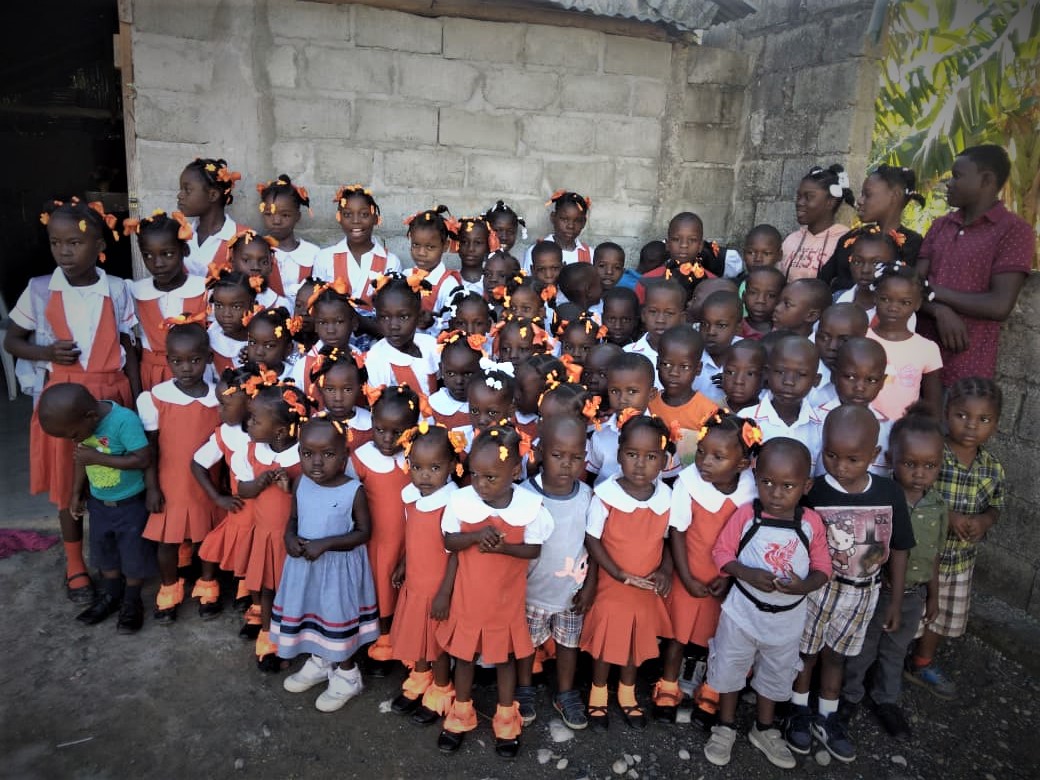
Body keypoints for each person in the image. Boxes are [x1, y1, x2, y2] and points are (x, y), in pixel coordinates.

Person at [5, 198, 138, 604]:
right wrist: (45, 353)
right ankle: (75, 564)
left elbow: (130, 348)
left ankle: (118, 558)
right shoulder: (39, 289)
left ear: (100, 245)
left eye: (75, 243)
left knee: (114, 478)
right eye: (55, 242)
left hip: (110, 394)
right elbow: (12, 341)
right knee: (68, 484)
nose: (64, 251)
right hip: (62, 400)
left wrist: (136, 402)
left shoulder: (118, 289)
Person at [787, 406, 914, 763]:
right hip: (818, 590)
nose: (840, 467)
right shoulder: (814, 492)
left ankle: (827, 717)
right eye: (831, 455)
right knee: (805, 653)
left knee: (836, 656)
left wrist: (894, 600)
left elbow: (900, 548)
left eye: (853, 459)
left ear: (874, 454)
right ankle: (798, 710)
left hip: (862, 593)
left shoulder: (889, 493)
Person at [704, 438, 831, 769]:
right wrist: (745, 573)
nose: (775, 493)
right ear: (756, 478)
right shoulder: (748, 515)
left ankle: (764, 728)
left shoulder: (810, 523)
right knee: (730, 668)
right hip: (741, 613)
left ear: (806, 486)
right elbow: (722, 552)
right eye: (767, 482)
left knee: (776, 675)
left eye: (788, 486)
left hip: (787, 621)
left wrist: (803, 586)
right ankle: (725, 725)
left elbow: (823, 568)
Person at [436, 424, 553, 758]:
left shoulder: (529, 507)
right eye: (474, 474)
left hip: (505, 603)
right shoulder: (462, 502)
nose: (480, 484)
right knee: (464, 657)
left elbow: (534, 550)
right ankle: (460, 714)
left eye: (490, 477)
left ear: (515, 471)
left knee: (504, 660)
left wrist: (504, 548)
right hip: (468, 600)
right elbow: (449, 542)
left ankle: (505, 718)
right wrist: (475, 536)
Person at [842, 406, 948, 739]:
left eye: (929, 466)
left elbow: (934, 554)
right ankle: (848, 696)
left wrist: (933, 595)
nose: (919, 474)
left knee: (895, 650)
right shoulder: (881, 497)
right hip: (877, 591)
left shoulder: (938, 506)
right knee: (863, 646)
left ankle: (886, 700)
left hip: (914, 595)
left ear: (940, 465)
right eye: (910, 464)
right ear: (891, 459)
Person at [654, 413, 760, 726]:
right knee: (678, 636)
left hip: (725, 579)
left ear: (742, 464)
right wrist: (685, 576)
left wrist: (729, 578)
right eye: (701, 452)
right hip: (688, 571)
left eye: (718, 457)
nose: (705, 462)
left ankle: (712, 687)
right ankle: (668, 684)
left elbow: (747, 541)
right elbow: (678, 531)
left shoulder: (751, 493)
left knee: (719, 638)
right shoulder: (688, 483)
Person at [907, 377, 1005, 699]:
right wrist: (948, 516)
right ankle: (889, 662)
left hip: (959, 561)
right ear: (947, 413)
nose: (971, 426)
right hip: (920, 558)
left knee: (940, 616)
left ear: (996, 424)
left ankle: (922, 662)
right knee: (909, 611)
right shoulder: (933, 453)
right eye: (962, 415)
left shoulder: (993, 468)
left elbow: (996, 505)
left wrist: (984, 521)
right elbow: (912, 490)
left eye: (983, 419)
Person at [274, 416, 380, 712]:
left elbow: (364, 532)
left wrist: (326, 543)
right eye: (308, 454)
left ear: (345, 456)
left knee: (336, 620)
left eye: (328, 454)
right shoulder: (301, 482)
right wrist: (289, 536)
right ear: (299, 454)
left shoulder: (353, 490)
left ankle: (347, 675)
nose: (317, 462)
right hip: (306, 568)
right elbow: (293, 518)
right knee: (313, 615)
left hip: (337, 572)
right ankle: (320, 661)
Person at [581, 414, 677, 731]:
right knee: (606, 642)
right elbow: (592, 539)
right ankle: (597, 693)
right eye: (632, 454)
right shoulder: (606, 496)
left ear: (664, 460)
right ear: (619, 454)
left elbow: (668, 540)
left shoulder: (666, 498)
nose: (640, 464)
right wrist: (618, 573)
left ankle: (626, 692)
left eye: (651, 457)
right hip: (612, 585)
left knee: (634, 640)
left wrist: (665, 570)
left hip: (645, 588)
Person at [37, 383, 156, 632]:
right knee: (104, 553)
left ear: (90, 416)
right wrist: (76, 494)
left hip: (130, 504)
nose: (73, 440)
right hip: (99, 504)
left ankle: (132, 602)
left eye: (72, 435)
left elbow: (143, 458)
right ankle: (111, 595)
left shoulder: (124, 421)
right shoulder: (81, 425)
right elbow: (81, 460)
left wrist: (98, 458)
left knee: (133, 555)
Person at [916, 145, 1034, 386]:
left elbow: (999, 305)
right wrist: (939, 310)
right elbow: (911, 287)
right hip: (916, 362)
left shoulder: (1014, 231)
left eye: (957, 176)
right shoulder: (941, 225)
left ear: (986, 180)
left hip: (966, 368)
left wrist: (934, 291)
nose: (949, 183)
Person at [137, 322, 222, 624]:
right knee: (167, 541)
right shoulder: (156, 398)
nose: (186, 368)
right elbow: (151, 448)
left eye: (195, 360)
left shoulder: (218, 399)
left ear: (209, 358)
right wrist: (152, 487)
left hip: (207, 485)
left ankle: (208, 584)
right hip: (170, 485)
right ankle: (169, 588)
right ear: (168, 360)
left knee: (207, 538)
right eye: (177, 361)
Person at [515, 415, 595, 729]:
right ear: (539, 452)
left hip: (571, 594)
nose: (566, 464)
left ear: (585, 458)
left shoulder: (587, 495)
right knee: (525, 646)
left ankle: (566, 692)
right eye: (557, 455)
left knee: (568, 645)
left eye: (575, 457)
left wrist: (590, 586)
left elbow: (594, 543)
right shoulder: (525, 495)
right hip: (531, 593)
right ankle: (523, 689)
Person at [389, 424, 464, 724]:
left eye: (435, 468)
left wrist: (445, 592)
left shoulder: (452, 504)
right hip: (416, 581)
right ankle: (421, 676)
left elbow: (456, 553)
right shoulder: (411, 497)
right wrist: (404, 563)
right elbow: (413, 535)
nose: (424, 475)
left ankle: (442, 689)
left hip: (438, 588)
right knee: (418, 634)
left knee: (437, 643)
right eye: (417, 467)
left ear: (452, 465)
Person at [348, 384, 419, 672]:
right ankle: (383, 640)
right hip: (377, 542)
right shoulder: (361, 458)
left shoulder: (417, 457)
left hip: (411, 542)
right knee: (380, 590)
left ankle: (408, 642)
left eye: (397, 431)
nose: (387, 439)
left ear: (413, 428)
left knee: (408, 593)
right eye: (379, 430)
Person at [240, 381, 307, 671]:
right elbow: (243, 489)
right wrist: (259, 483)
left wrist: (289, 488)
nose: (248, 424)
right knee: (268, 588)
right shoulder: (253, 451)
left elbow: (314, 497)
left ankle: (292, 639)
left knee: (293, 592)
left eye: (255, 420)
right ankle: (268, 636)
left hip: (294, 538)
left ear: (279, 431)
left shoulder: (305, 455)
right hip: (266, 537)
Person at [192, 364, 261, 623]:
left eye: (224, 404)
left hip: (268, 511)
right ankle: (208, 586)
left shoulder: (273, 429)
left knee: (259, 554)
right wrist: (217, 497)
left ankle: (252, 599)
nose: (218, 410)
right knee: (215, 547)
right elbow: (197, 464)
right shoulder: (226, 434)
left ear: (250, 403)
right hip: (241, 508)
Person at [125, 210, 208, 391]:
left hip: (196, 375)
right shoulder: (136, 292)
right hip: (152, 374)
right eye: (148, 255)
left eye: (168, 254)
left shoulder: (204, 290)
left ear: (184, 250)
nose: (158, 263)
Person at [313, 185, 401, 339]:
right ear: (339, 217)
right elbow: (318, 307)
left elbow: (393, 311)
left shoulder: (390, 261)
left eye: (364, 214)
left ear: (375, 219)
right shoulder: (325, 258)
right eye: (348, 214)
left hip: (376, 342)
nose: (355, 221)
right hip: (334, 341)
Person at [820, 165, 926, 292]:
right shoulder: (851, 238)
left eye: (867, 195)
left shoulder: (912, 244)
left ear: (895, 196)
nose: (860, 201)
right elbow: (822, 281)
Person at [867, 265, 943, 419]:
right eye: (885, 299)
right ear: (875, 297)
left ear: (917, 304)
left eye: (905, 302)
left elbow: (933, 404)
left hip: (903, 430)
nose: (893, 307)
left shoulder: (927, 349)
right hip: (860, 425)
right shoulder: (861, 338)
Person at [746, 335, 824, 470]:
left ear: (815, 380)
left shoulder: (821, 427)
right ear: (767, 373)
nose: (789, 381)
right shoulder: (747, 419)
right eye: (780, 372)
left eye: (801, 374)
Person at [819, 337, 893, 476]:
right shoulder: (814, 421)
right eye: (850, 377)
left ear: (882, 382)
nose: (859, 387)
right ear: (834, 375)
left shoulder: (889, 430)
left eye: (871, 380)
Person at [649, 326, 717, 470]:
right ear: (657, 363)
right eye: (667, 364)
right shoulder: (648, 402)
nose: (674, 372)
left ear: (698, 368)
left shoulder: (708, 412)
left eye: (684, 367)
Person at [587, 352, 657, 485]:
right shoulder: (600, 434)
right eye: (615, 391)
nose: (622, 399)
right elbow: (591, 475)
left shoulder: (661, 436)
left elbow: (668, 478)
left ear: (651, 394)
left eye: (632, 391)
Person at [365, 274, 439, 394]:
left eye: (403, 317)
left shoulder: (431, 345)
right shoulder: (376, 360)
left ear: (419, 316)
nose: (394, 326)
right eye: (385, 317)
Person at [779, 165, 855, 281]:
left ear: (830, 202)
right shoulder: (791, 240)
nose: (800, 202)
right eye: (799, 196)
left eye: (809, 197)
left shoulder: (845, 242)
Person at [176, 157, 244, 277]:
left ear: (213, 195)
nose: (179, 195)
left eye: (187, 190)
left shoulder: (244, 239)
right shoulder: (179, 237)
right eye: (181, 189)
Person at [257, 175, 319, 299]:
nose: (276, 221)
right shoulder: (256, 250)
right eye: (269, 214)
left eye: (285, 215)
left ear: (298, 216)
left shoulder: (313, 254)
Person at [403, 206, 464, 331]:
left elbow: (451, 327)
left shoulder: (448, 285)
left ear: (445, 246)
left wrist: (433, 323)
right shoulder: (405, 276)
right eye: (416, 245)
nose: (421, 253)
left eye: (430, 247)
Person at [291, 281, 358, 393]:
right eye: (323, 323)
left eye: (339, 322)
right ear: (316, 326)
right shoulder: (302, 367)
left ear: (354, 323)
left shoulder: (363, 359)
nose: (331, 330)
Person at [624, 278, 686, 389]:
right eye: (653, 312)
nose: (660, 320)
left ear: (682, 318)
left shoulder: (691, 355)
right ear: (643, 315)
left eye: (669, 313)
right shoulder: (628, 353)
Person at [309, 346, 372, 449]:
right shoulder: (314, 424)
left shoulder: (370, 423)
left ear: (360, 388)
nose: (338, 398)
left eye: (347, 389)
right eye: (330, 389)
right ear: (320, 388)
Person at [811, 302, 869, 408]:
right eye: (824, 337)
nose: (832, 346)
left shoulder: (869, 379)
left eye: (844, 340)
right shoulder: (801, 375)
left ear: (862, 340)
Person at [523, 190, 592, 271]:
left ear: (584, 223)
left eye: (577, 221)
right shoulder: (536, 251)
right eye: (564, 219)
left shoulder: (590, 254)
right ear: (553, 217)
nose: (570, 226)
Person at [205, 269, 256, 376]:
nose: (226, 314)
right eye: (219, 305)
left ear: (252, 305)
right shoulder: (210, 340)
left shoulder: (266, 334)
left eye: (236, 307)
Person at [694, 291, 743, 405]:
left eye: (721, 325)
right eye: (705, 324)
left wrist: (736, 384)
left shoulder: (748, 354)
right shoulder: (690, 354)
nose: (711, 332)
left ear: (738, 328)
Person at [225, 229, 290, 311]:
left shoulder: (281, 305)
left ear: (271, 264)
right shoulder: (216, 298)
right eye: (246, 260)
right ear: (232, 261)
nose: (256, 267)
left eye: (264, 262)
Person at [430, 331, 482, 431]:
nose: (459, 381)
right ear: (441, 370)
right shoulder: (434, 406)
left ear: (482, 370)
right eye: (451, 373)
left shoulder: (488, 404)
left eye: (468, 374)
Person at [244, 306, 297, 381]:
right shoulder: (240, 375)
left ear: (288, 349)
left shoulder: (296, 377)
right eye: (253, 342)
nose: (259, 352)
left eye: (269, 346)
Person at [719, 339, 766, 413]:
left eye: (750, 374)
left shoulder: (770, 415)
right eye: (731, 372)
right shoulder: (709, 412)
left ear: (764, 376)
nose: (738, 381)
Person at [456, 215, 499, 295]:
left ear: (488, 247)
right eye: (464, 242)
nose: (470, 248)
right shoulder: (449, 281)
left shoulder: (494, 282)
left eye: (478, 243)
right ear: (457, 245)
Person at [741, 266, 784, 339]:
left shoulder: (785, 332)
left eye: (771, 295)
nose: (760, 300)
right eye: (753, 293)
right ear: (743, 297)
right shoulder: (735, 329)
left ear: (781, 300)